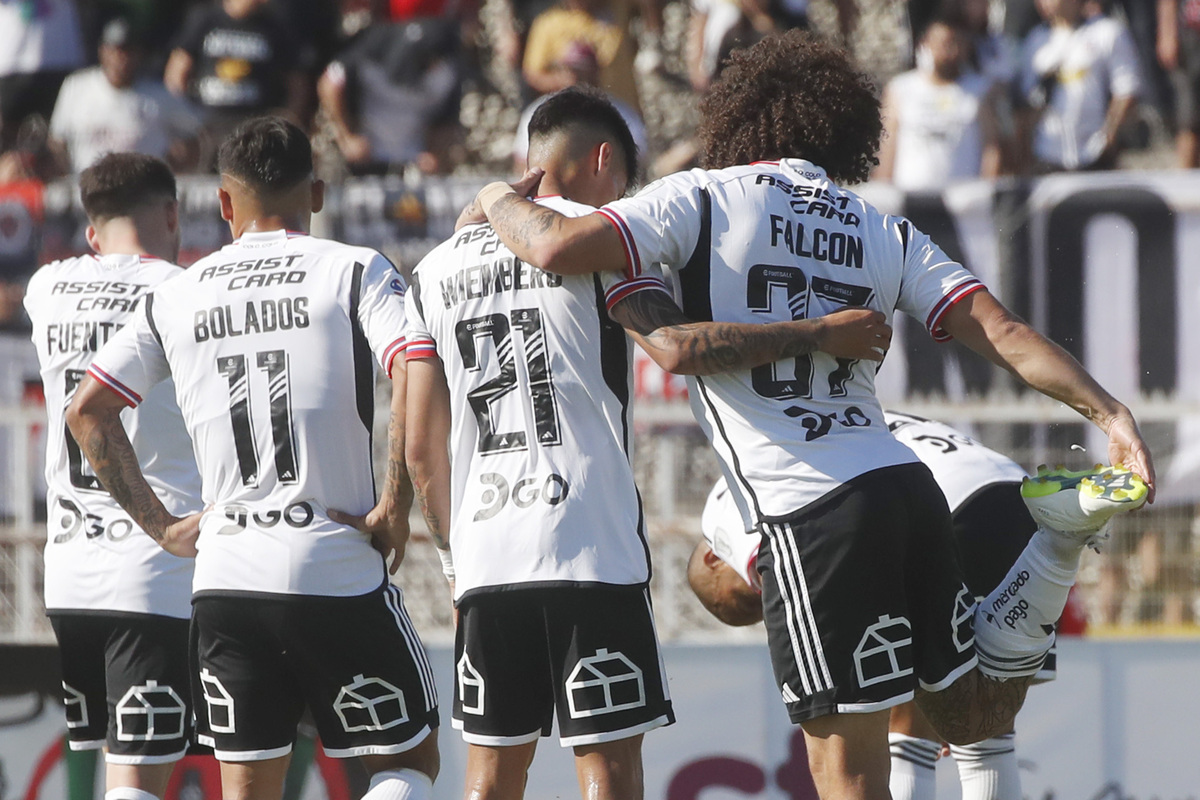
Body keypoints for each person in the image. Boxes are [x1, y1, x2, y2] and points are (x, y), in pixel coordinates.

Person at [465, 31, 1154, 800]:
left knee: (850, 778)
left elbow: (556, 245)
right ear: (844, 133)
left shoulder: (699, 195)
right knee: (972, 716)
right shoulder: (877, 226)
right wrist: (1110, 411)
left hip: (811, 510)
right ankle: (1052, 556)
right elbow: (1005, 334)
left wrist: (497, 197)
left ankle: (1053, 555)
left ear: (735, 121)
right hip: (904, 487)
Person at [406, 86, 892, 800]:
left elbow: (420, 446)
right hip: (587, 546)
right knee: (608, 773)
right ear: (604, 160)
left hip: (484, 558)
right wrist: (818, 335)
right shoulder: (603, 241)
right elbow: (674, 346)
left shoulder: (434, 269)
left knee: (490, 777)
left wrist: (453, 564)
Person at [67, 117, 439, 800]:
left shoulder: (177, 293)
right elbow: (417, 362)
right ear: (318, 193)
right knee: (406, 765)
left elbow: (86, 410)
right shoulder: (353, 270)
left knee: (247, 790)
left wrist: (160, 526)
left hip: (227, 575)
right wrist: (395, 502)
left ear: (225, 204)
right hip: (333, 561)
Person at [690, 411, 1062, 800]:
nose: (760, 596)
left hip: (949, 503)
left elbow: (787, 573)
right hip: (1018, 496)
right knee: (988, 725)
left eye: (747, 593)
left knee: (905, 719)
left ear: (714, 558)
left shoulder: (724, 505)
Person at [23, 152, 201, 800]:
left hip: (69, 575)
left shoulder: (47, 287)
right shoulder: (183, 290)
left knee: (110, 773)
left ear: (92, 232)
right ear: (173, 215)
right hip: (155, 567)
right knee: (137, 784)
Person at [49, 18, 203, 174]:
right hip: (88, 187)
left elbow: (196, 135)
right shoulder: (77, 87)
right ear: (102, 52)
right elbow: (57, 140)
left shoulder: (159, 96)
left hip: (142, 189)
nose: (120, 59)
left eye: (127, 52)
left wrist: (177, 170)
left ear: (139, 55)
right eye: (114, 51)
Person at [317, 17, 463, 175]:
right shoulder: (373, 44)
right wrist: (347, 138)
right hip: (366, 157)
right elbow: (329, 83)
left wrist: (436, 152)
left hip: (415, 162)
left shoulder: (449, 72)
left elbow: (448, 119)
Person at [875, 15, 1003, 189]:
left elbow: (992, 148)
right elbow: (887, 145)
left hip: (963, 201)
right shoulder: (901, 89)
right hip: (909, 198)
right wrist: (881, 190)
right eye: (945, 43)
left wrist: (986, 193)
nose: (952, 51)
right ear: (926, 44)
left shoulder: (980, 90)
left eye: (958, 43)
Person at [1016, 0, 1141, 172]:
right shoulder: (1035, 41)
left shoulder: (1107, 32)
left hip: (1094, 156)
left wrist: (1108, 137)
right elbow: (1027, 101)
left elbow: (1126, 88)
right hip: (1047, 157)